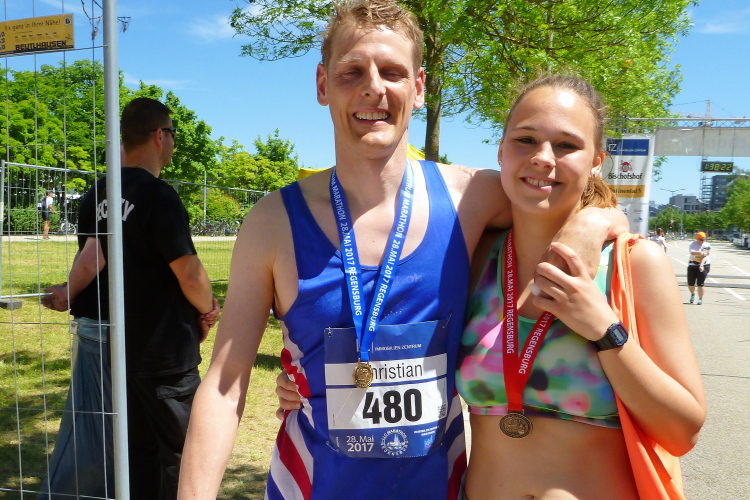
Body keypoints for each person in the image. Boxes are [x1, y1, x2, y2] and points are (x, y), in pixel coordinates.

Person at [178, 3, 627, 499]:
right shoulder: (272, 222)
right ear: (323, 85)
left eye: (392, 72)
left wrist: (591, 223)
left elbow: (570, 195)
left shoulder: (473, 198)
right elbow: (224, 385)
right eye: (352, 72)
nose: (374, 88)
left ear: (419, 88)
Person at [455, 75, 706, 499]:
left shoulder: (635, 263)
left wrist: (604, 329)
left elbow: (683, 431)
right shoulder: (476, 254)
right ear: (501, 150)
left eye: (566, 145)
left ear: (596, 162)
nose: (542, 158)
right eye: (525, 140)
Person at [41, 97, 220, 500]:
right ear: (159, 136)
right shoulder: (159, 196)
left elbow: (93, 256)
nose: (172, 142)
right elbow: (190, 275)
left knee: (137, 451)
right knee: (183, 451)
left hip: (120, 351)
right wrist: (208, 309)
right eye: (172, 134)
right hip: (164, 355)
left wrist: (68, 292)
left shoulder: (98, 192)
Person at [688, 231, 711, 305]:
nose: (702, 241)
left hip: (704, 264)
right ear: (697, 239)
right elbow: (692, 252)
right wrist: (701, 252)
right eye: (701, 239)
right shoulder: (692, 244)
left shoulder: (707, 245)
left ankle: (700, 298)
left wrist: (701, 265)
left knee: (700, 283)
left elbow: (705, 255)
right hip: (692, 264)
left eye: (704, 239)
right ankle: (692, 294)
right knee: (691, 283)